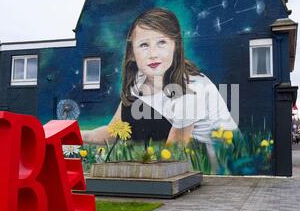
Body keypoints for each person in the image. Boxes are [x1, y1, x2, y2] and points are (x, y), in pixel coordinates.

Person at [81, 8, 238, 149]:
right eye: (144, 45)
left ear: (175, 47)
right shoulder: (139, 81)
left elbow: (174, 150)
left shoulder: (191, 89)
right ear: (132, 54)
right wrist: (77, 135)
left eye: (161, 42)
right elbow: (114, 131)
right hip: (180, 147)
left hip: (215, 157)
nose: (153, 53)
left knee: (143, 115)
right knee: (132, 106)